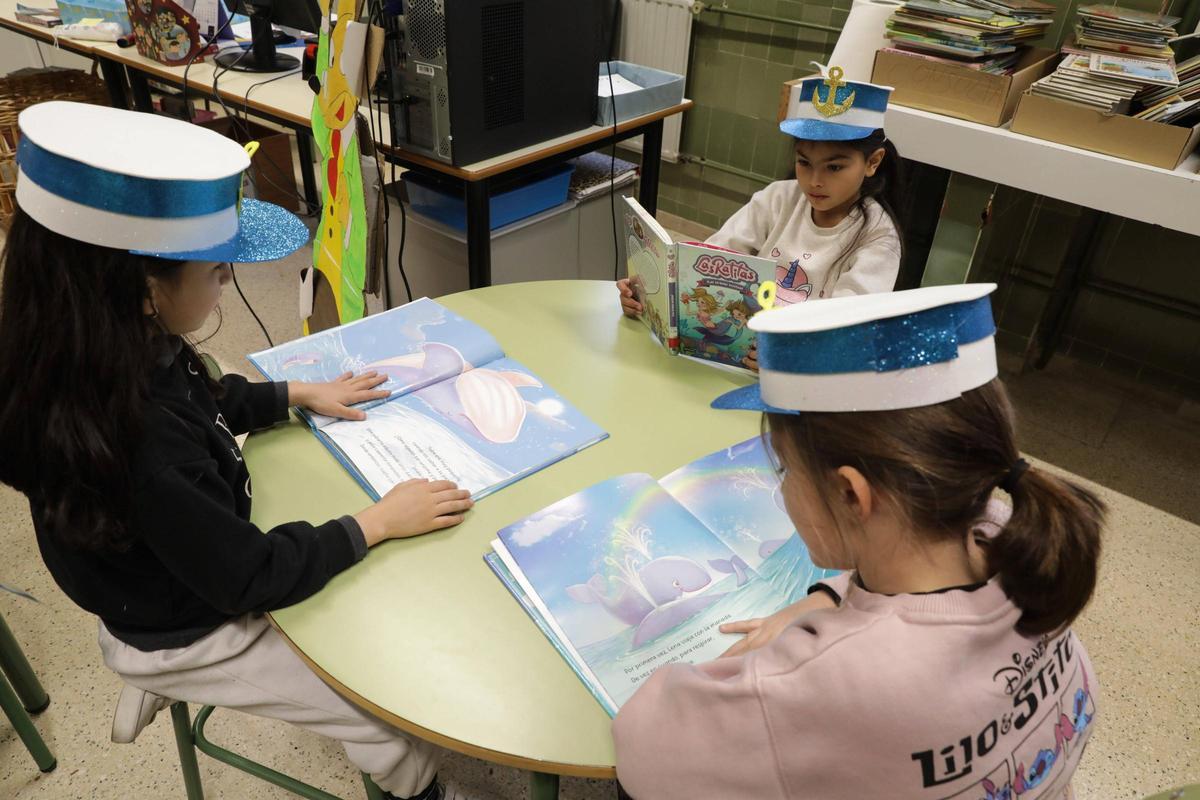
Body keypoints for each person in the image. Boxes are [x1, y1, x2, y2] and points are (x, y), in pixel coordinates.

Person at [0, 101, 473, 800]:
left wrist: (292, 396)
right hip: (187, 627)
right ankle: (418, 788)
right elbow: (248, 577)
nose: (227, 283)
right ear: (142, 290)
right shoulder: (143, 443)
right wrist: (372, 523)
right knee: (381, 720)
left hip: (170, 570)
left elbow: (207, 399)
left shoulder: (89, 350)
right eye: (219, 272)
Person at [613, 285, 1105, 799]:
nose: (780, 488)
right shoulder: (1017, 531)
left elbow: (641, 745)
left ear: (850, 492)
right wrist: (829, 594)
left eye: (784, 469)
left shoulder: (821, 684)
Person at [618, 68, 905, 366]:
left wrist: (790, 355)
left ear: (873, 162)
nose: (815, 181)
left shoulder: (877, 237)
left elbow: (851, 331)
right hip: (737, 352)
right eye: (804, 163)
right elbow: (710, 257)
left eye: (834, 168)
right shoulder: (779, 197)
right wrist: (648, 292)